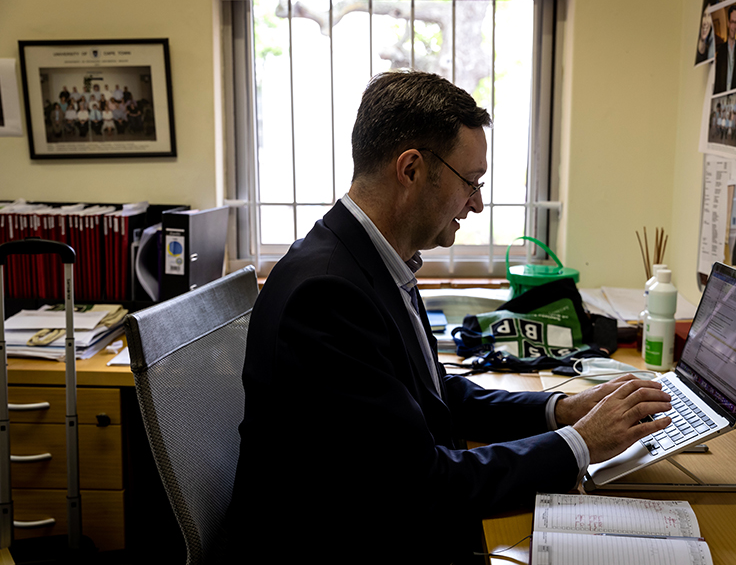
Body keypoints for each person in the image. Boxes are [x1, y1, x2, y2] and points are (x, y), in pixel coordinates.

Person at [224, 71, 672, 564]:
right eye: (471, 183)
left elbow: (436, 397)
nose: (477, 204)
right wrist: (581, 443)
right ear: (411, 169)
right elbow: (423, 487)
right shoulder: (328, 295)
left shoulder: (369, 260)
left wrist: (560, 411)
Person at [714, 4, 736, 94]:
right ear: (728, 23)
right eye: (732, 22)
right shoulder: (721, 50)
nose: (734, 27)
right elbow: (717, 79)